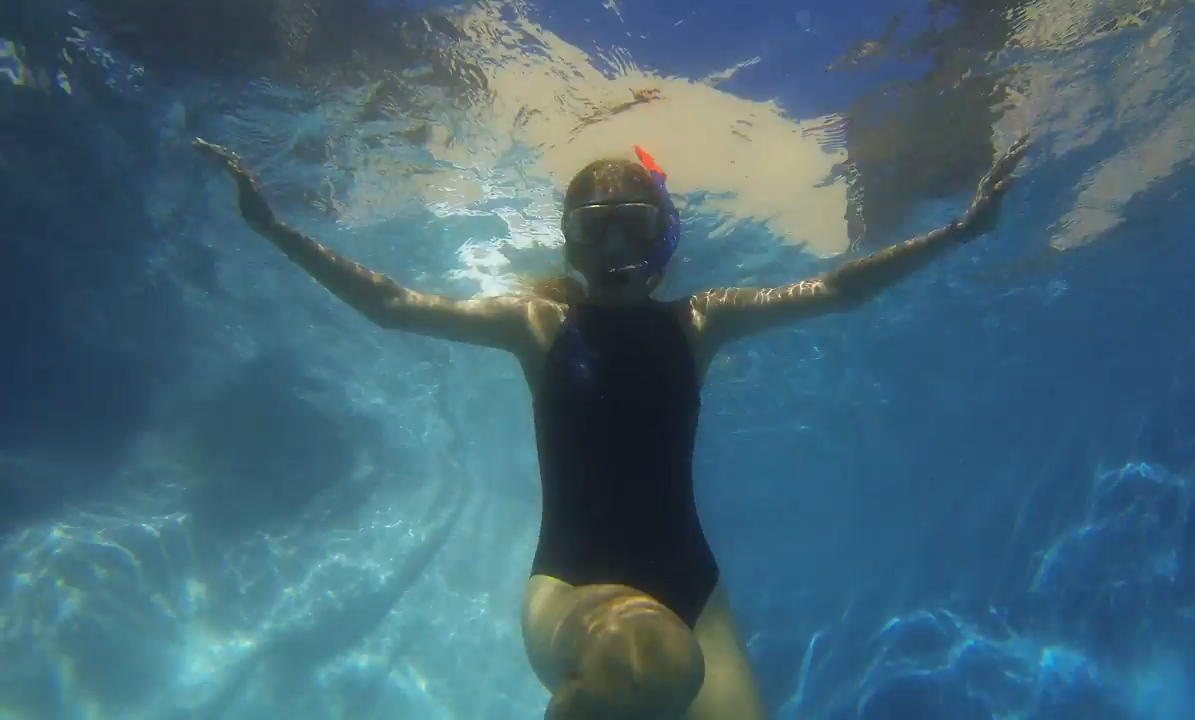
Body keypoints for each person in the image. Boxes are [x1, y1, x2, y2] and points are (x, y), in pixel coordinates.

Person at [194, 134, 1028, 719]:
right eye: (595, 229)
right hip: (573, 589)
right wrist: (274, 227)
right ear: (571, 245)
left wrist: (959, 231)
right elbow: (391, 304)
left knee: (675, 666)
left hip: (692, 587)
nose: (616, 245)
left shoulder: (700, 321)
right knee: (654, 660)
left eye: (636, 224)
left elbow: (837, 291)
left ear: (665, 236)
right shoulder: (536, 325)